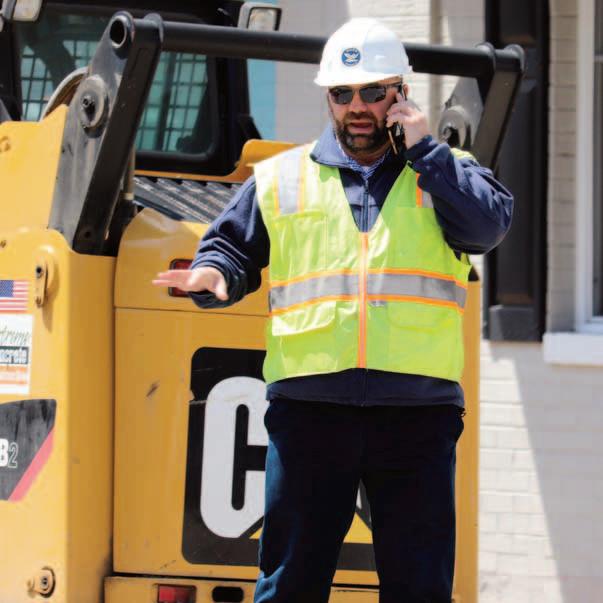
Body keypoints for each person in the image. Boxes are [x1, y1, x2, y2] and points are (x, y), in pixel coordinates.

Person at [153, 17, 513, 603]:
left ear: (400, 93)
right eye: (343, 94)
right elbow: (229, 248)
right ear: (328, 98)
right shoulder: (281, 178)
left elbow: (488, 226)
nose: (357, 107)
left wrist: (426, 150)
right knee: (289, 586)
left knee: (420, 589)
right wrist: (213, 274)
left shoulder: (443, 169)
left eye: (373, 91)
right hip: (309, 415)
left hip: (416, 418)